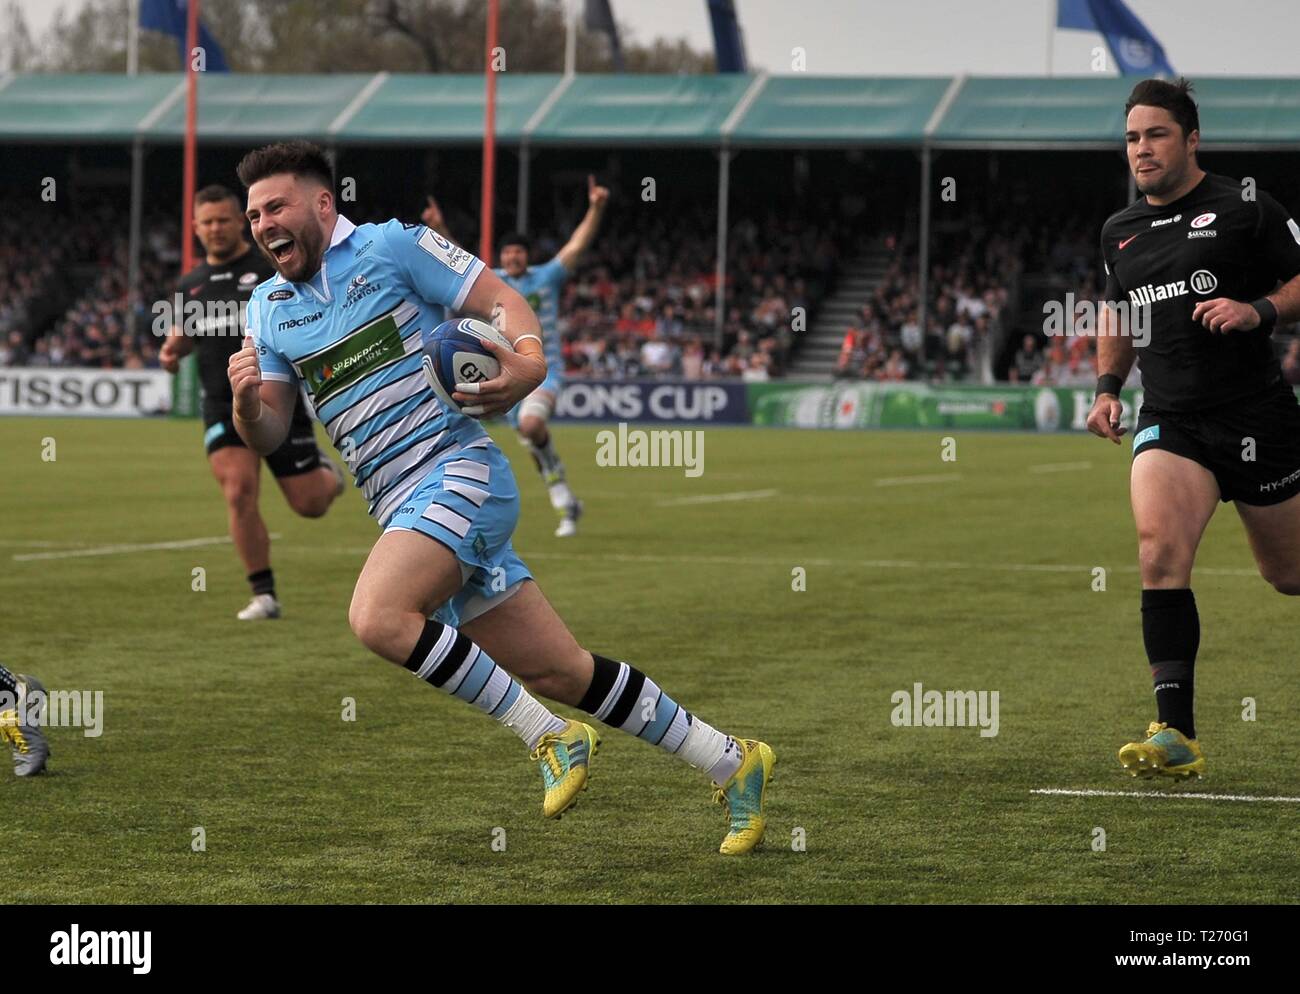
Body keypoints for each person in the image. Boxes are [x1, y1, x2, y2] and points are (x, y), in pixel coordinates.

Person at [231, 141, 774, 853]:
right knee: (560, 669)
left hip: (459, 470)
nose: (262, 222)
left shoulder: (393, 246)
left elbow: (501, 298)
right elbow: (271, 433)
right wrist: (245, 405)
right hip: (397, 503)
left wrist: (529, 362)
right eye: (253, 213)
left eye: (276, 206)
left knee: (378, 615)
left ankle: (549, 737)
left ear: (323, 203)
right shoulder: (267, 307)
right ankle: (732, 761)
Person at [1084, 78, 1300, 778]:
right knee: (1158, 553)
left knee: (1289, 576)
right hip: (1172, 420)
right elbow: (1119, 313)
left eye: (1155, 135)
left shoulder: (1243, 205)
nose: (1141, 150)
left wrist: (1258, 311)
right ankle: (1174, 732)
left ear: (1191, 139)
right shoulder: (1120, 231)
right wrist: (1107, 388)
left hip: (1258, 418)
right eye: (1131, 138)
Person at [160, 185, 344, 620]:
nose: (215, 229)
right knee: (239, 492)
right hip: (221, 406)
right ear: (195, 228)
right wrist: (170, 351)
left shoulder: (269, 265)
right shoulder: (189, 285)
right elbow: (183, 335)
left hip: (276, 401)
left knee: (310, 504)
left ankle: (328, 476)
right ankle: (264, 594)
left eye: (223, 219)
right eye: (206, 222)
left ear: (239, 220)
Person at [423, 179, 609, 537]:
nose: (512, 257)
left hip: (543, 371)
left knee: (531, 426)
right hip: (502, 373)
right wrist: (439, 229)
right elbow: (457, 258)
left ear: (527, 255)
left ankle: (557, 491)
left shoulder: (546, 277)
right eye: (507, 253)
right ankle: (564, 497)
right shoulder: (495, 282)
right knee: (489, 433)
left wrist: (596, 207)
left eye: (518, 252)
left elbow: (576, 246)